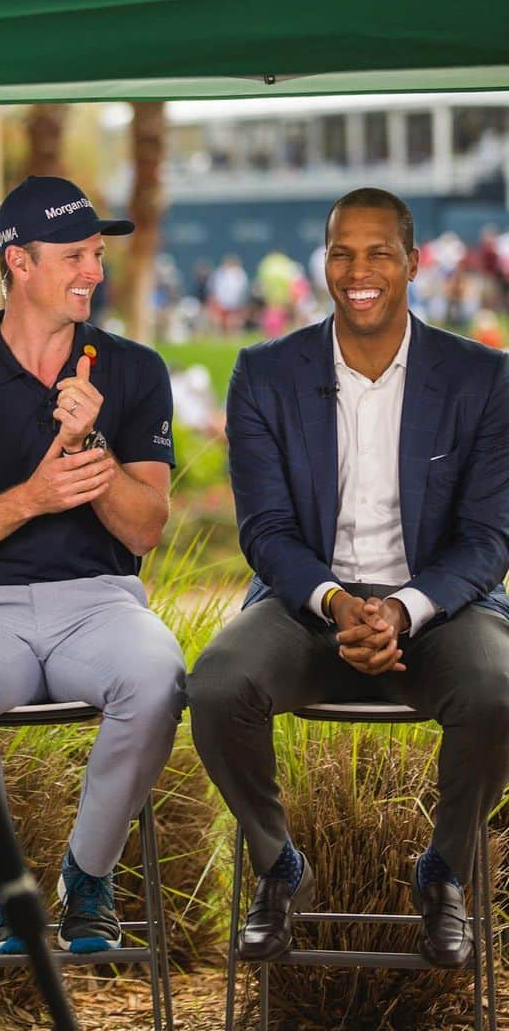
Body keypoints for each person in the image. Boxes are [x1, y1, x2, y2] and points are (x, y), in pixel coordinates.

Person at [189, 187, 509, 969]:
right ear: (322, 260)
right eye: (341, 252)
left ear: (413, 262)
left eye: (377, 252)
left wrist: (400, 610)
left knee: (501, 691)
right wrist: (337, 603)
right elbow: (265, 531)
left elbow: (488, 537)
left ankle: (444, 871)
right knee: (217, 686)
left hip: (438, 607)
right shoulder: (265, 373)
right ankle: (276, 867)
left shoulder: (483, 378)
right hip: (307, 605)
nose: (357, 270)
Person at [0, 176, 186, 954]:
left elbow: (148, 528)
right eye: (75, 256)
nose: (94, 270)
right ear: (18, 262)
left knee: (158, 676)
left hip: (101, 602)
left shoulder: (133, 370)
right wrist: (30, 498)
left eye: (97, 253)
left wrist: (91, 446)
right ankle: (3, 883)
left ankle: (87, 879)